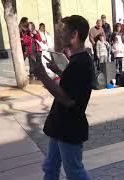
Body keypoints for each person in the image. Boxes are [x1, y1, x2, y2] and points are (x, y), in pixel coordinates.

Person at [34, 15, 93, 180]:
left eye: (64, 31)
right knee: (50, 167)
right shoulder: (77, 61)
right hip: (61, 125)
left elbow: (68, 99)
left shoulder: (80, 63)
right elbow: (73, 84)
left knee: (74, 171)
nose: (60, 34)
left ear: (74, 34)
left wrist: (43, 75)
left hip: (70, 126)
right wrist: (60, 71)